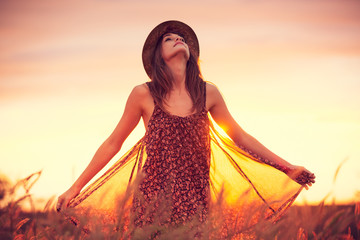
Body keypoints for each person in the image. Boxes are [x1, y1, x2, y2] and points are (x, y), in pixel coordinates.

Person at [57, 20, 315, 237]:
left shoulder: (208, 93)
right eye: (169, 39)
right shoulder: (143, 94)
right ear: (159, 57)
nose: (178, 39)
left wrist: (287, 167)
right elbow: (114, 142)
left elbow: (240, 136)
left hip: (196, 201)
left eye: (181, 37)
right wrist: (75, 187)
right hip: (153, 201)